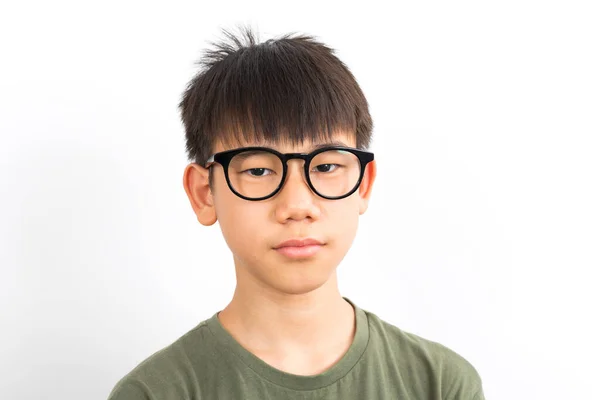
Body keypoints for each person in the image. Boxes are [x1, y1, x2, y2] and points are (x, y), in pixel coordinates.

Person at [107, 26, 485, 400]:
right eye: (258, 170)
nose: (297, 207)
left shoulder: (440, 384)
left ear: (364, 184)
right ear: (205, 193)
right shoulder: (156, 393)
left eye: (325, 167)